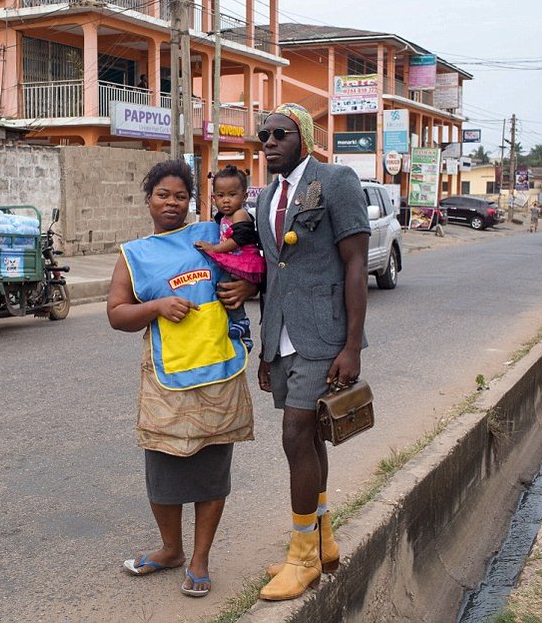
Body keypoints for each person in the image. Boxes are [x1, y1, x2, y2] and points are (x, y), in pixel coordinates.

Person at [108, 160, 254, 598]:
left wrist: (247, 288)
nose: (171, 203)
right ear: (148, 198)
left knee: (212, 470)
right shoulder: (133, 254)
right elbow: (117, 314)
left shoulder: (214, 235)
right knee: (164, 470)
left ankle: (200, 558)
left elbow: (253, 267)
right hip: (166, 378)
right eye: (162, 195)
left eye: (180, 196)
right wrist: (155, 307)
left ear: (192, 200)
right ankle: (171, 549)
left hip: (218, 370)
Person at [254, 103, 370, 601]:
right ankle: (322, 539)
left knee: (296, 434)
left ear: (302, 136)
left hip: (324, 336)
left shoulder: (337, 179)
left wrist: (351, 346)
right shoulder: (264, 199)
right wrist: (265, 349)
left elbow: (356, 263)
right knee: (312, 438)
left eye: (280, 133)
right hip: (282, 335)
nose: (270, 142)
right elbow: (274, 274)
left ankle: (301, 557)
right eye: (264, 135)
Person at [194, 165, 265, 351]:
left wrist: (214, 249)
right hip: (234, 261)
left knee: (224, 288)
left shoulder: (240, 214)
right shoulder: (223, 217)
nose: (226, 200)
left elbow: (239, 238)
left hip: (243, 261)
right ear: (213, 197)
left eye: (232, 195)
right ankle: (237, 326)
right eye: (220, 195)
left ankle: (242, 323)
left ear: (244, 196)